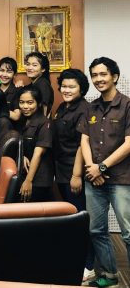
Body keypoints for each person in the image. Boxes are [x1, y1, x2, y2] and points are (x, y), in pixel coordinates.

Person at [80, 57, 130, 288]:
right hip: (94, 179)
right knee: (96, 230)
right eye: (94, 75)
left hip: (121, 179)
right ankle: (110, 276)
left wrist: (101, 167)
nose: (98, 79)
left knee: (128, 233)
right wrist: (92, 168)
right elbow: (84, 140)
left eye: (103, 74)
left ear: (114, 76)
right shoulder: (91, 107)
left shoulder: (127, 105)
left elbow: (129, 144)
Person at [53, 68, 95, 283]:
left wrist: (77, 175)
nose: (66, 90)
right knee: (71, 217)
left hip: (74, 171)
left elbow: (82, 144)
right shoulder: (62, 107)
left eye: (72, 86)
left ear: (81, 89)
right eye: (64, 86)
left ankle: (89, 265)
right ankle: (76, 259)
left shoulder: (85, 109)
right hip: (61, 170)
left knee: (82, 219)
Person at [17, 85, 54, 202]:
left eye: (30, 103)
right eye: (21, 102)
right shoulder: (21, 121)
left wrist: (28, 181)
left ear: (38, 104)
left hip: (38, 180)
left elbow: (38, 154)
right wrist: (21, 155)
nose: (25, 106)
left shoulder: (44, 123)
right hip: (23, 176)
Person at [25, 52, 54, 117]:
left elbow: (44, 107)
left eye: (34, 65)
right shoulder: (35, 83)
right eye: (28, 64)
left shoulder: (43, 84)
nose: (29, 68)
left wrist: (43, 123)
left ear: (43, 69)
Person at [0, 57, 21, 121]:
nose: (4, 75)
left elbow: (16, 116)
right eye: (2, 70)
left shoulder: (17, 91)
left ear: (14, 74)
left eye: (9, 72)